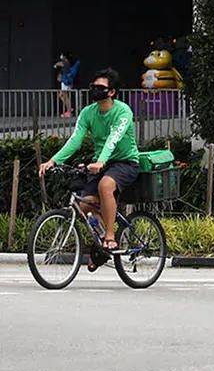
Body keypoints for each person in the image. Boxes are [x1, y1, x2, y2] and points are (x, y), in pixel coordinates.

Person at [39, 69, 139, 268]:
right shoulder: (88, 112)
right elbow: (75, 139)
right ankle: (102, 244)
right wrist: (53, 161)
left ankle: (111, 236)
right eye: (93, 87)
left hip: (125, 162)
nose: (95, 90)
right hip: (100, 163)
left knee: (105, 186)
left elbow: (113, 139)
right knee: (84, 207)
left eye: (100, 88)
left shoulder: (123, 111)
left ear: (112, 92)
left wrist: (101, 161)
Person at [54, 52, 80, 118]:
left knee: (64, 95)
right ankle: (69, 108)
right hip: (65, 81)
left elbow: (59, 64)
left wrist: (56, 65)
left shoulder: (66, 62)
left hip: (66, 82)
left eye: (62, 56)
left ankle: (69, 110)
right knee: (61, 95)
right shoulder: (66, 64)